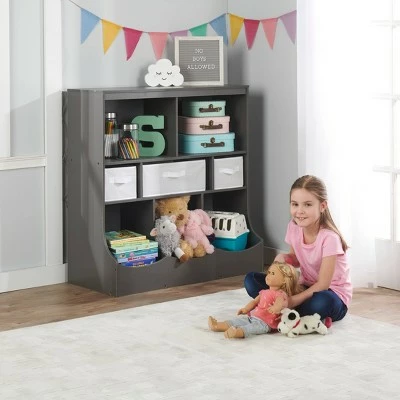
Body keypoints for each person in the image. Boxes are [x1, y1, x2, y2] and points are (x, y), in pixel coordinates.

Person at [244, 175, 352, 326]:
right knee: (251, 280)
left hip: (331, 293)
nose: (299, 211)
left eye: (307, 205)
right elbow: (295, 259)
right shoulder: (294, 226)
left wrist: (292, 300)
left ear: (322, 206)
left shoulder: (330, 238)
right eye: (295, 204)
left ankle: (286, 308)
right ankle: (292, 309)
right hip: (304, 286)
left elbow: (323, 284)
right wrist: (284, 258)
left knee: (322, 302)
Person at [208, 262, 300, 339]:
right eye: (268, 272)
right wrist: (246, 309)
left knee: (250, 328)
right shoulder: (264, 291)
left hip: (265, 323)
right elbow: (255, 302)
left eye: (273, 273)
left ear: (284, 280)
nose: (268, 275)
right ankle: (217, 325)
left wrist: (276, 308)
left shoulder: (280, 294)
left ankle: (236, 333)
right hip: (253, 317)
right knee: (237, 321)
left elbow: (280, 302)